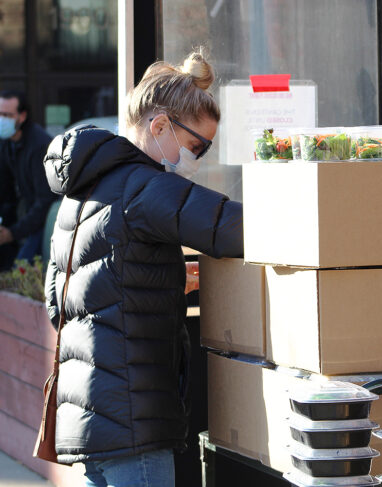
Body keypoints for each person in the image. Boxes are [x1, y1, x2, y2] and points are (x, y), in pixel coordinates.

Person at [42, 50, 243, 487]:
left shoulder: (78, 196)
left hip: (88, 421)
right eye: (197, 146)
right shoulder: (146, 187)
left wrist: (162, 278)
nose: (199, 159)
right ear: (159, 126)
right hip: (134, 418)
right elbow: (237, 229)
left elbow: (61, 304)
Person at [0, 91, 57, 270]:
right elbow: (5, 192)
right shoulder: (6, 142)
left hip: (46, 219)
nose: (2, 120)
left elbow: (45, 201)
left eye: (7, 115)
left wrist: (12, 233)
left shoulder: (39, 145)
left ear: (22, 116)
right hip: (27, 214)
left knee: (21, 271)